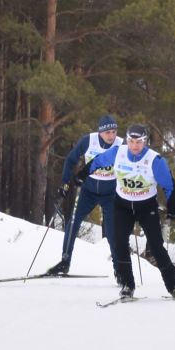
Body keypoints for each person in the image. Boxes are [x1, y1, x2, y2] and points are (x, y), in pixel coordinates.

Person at [87, 123, 175, 300]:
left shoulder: (155, 160)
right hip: (122, 205)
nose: (134, 146)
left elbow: (169, 185)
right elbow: (98, 162)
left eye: (138, 142)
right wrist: (81, 174)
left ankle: (174, 287)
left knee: (156, 246)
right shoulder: (118, 152)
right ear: (127, 140)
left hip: (146, 207)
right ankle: (127, 285)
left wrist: (172, 208)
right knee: (119, 244)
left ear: (145, 141)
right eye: (131, 141)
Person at [44, 114, 119, 276]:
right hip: (88, 191)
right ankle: (65, 262)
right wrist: (64, 183)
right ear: (100, 132)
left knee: (113, 231)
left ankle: (119, 269)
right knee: (72, 223)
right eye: (108, 133)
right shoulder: (88, 141)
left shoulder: (121, 144)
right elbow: (70, 160)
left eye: (114, 132)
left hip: (110, 194)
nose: (111, 136)